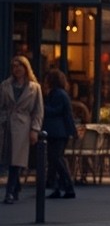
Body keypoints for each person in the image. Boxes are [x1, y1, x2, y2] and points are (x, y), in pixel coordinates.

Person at [2, 56, 43, 205]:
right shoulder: (5, 85)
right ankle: (16, 187)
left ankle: (9, 192)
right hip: (7, 125)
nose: (17, 69)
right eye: (14, 66)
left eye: (19, 66)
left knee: (16, 160)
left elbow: (38, 111)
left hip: (23, 125)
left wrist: (35, 129)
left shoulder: (34, 87)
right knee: (10, 159)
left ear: (26, 68)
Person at [40, 69, 78, 200]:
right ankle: (58, 187)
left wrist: (41, 107)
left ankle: (67, 187)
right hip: (58, 131)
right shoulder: (59, 93)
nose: (45, 82)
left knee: (57, 159)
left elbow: (56, 110)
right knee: (54, 160)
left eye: (47, 79)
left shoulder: (58, 94)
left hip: (58, 131)